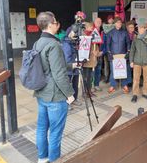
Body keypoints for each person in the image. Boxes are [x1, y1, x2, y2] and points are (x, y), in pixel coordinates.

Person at [34, 11, 74, 163]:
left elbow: (49, 67)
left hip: (41, 92)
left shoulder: (38, 42)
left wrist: (71, 65)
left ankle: (42, 158)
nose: (58, 25)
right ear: (50, 25)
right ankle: (54, 160)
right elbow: (58, 74)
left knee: (42, 128)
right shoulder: (54, 44)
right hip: (55, 96)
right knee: (55, 133)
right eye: (56, 22)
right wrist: (69, 93)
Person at [130, 23, 147, 103]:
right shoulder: (136, 38)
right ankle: (135, 94)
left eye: (140, 28)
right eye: (138, 28)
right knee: (136, 79)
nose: (138, 29)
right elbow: (132, 50)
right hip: (137, 62)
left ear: (145, 28)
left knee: (146, 79)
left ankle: (145, 93)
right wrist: (131, 60)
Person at [106, 17, 131, 93]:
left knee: (123, 70)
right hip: (113, 55)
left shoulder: (125, 32)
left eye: (120, 22)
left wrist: (128, 52)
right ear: (114, 24)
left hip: (123, 55)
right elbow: (108, 44)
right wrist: (109, 53)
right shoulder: (110, 33)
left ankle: (125, 85)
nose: (119, 24)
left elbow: (128, 43)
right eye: (117, 22)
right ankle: (112, 86)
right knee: (113, 70)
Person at [61, 29, 81, 107]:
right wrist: (74, 64)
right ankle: (67, 103)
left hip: (76, 67)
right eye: (74, 32)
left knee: (75, 85)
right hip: (69, 69)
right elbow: (67, 58)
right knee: (68, 86)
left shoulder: (74, 42)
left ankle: (74, 99)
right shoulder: (66, 44)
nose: (75, 34)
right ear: (69, 33)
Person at [82, 22, 99, 97]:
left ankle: (89, 91)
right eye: (90, 27)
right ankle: (85, 92)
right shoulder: (82, 36)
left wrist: (97, 52)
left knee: (90, 77)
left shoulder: (93, 35)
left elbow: (96, 45)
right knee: (85, 77)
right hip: (85, 60)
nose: (92, 28)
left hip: (92, 60)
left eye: (92, 27)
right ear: (86, 27)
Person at [93, 17, 105, 92]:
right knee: (91, 72)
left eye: (100, 21)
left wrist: (102, 52)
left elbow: (105, 43)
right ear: (94, 22)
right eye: (97, 21)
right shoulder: (91, 31)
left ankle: (96, 85)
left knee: (98, 70)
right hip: (92, 55)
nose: (99, 23)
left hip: (100, 54)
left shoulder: (103, 32)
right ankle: (91, 86)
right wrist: (93, 52)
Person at [103, 15, 114, 83]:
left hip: (113, 49)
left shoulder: (115, 27)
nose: (111, 20)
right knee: (106, 64)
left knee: (112, 64)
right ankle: (106, 77)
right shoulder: (105, 28)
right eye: (109, 19)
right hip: (106, 49)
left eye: (112, 19)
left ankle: (112, 77)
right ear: (108, 20)